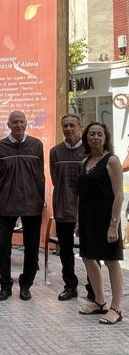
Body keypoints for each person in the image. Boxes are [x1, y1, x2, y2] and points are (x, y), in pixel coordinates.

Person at [0, 111, 45, 301]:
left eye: (21, 122)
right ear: (8, 124)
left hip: (32, 204)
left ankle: (26, 284)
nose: (18, 125)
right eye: (15, 122)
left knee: (32, 247)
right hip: (6, 204)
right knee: (3, 246)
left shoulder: (36, 145)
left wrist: (40, 199)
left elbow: (40, 175)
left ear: (26, 124)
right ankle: (5, 285)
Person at [77, 122, 124, 324]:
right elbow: (81, 195)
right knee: (88, 258)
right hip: (87, 218)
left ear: (105, 138)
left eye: (99, 134)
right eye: (91, 134)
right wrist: (79, 222)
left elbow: (119, 196)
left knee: (111, 262)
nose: (95, 137)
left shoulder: (111, 160)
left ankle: (116, 308)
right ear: (86, 138)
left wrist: (114, 225)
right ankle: (99, 301)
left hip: (106, 219)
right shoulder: (84, 161)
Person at [49, 114, 84, 301]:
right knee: (66, 251)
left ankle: (94, 289)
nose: (69, 129)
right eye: (65, 126)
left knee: (89, 252)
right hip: (63, 208)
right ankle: (70, 286)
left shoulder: (89, 150)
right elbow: (56, 180)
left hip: (85, 210)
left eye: (72, 125)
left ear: (80, 127)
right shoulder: (55, 152)